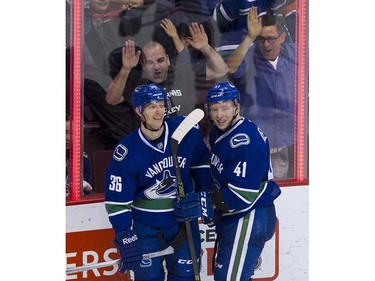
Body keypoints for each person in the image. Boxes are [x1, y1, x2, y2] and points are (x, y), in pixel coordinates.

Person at [104, 83, 212, 280]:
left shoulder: (185, 132)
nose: (159, 111)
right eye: (151, 106)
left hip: (183, 224)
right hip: (145, 229)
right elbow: (117, 201)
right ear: (139, 111)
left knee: (185, 278)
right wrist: (124, 235)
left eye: (161, 104)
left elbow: (201, 164)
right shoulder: (126, 151)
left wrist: (202, 196)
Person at [204, 81, 281, 281]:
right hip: (236, 217)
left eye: (225, 108)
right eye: (215, 109)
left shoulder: (246, 142)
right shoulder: (219, 132)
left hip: (249, 217)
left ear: (237, 107)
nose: (220, 115)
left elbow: (241, 195)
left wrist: (206, 201)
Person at [226, 7, 295, 178]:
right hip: (256, 144)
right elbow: (231, 68)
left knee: (287, 194)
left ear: (282, 37)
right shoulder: (249, 56)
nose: (265, 44)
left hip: (288, 143)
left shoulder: (295, 54)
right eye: (261, 39)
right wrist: (250, 37)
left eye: (271, 39)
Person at [105, 21, 228, 117]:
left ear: (168, 60)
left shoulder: (182, 71)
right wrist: (125, 69)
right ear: (142, 65)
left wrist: (205, 47)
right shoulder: (138, 82)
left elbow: (221, 70)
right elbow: (111, 100)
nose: (157, 67)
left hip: (186, 136)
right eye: (149, 63)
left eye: (160, 60)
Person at [66, 118, 93, 197]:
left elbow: (87, 186)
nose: (69, 138)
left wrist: (83, 186)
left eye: (73, 133)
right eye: (64, 132)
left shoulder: (82, 157)